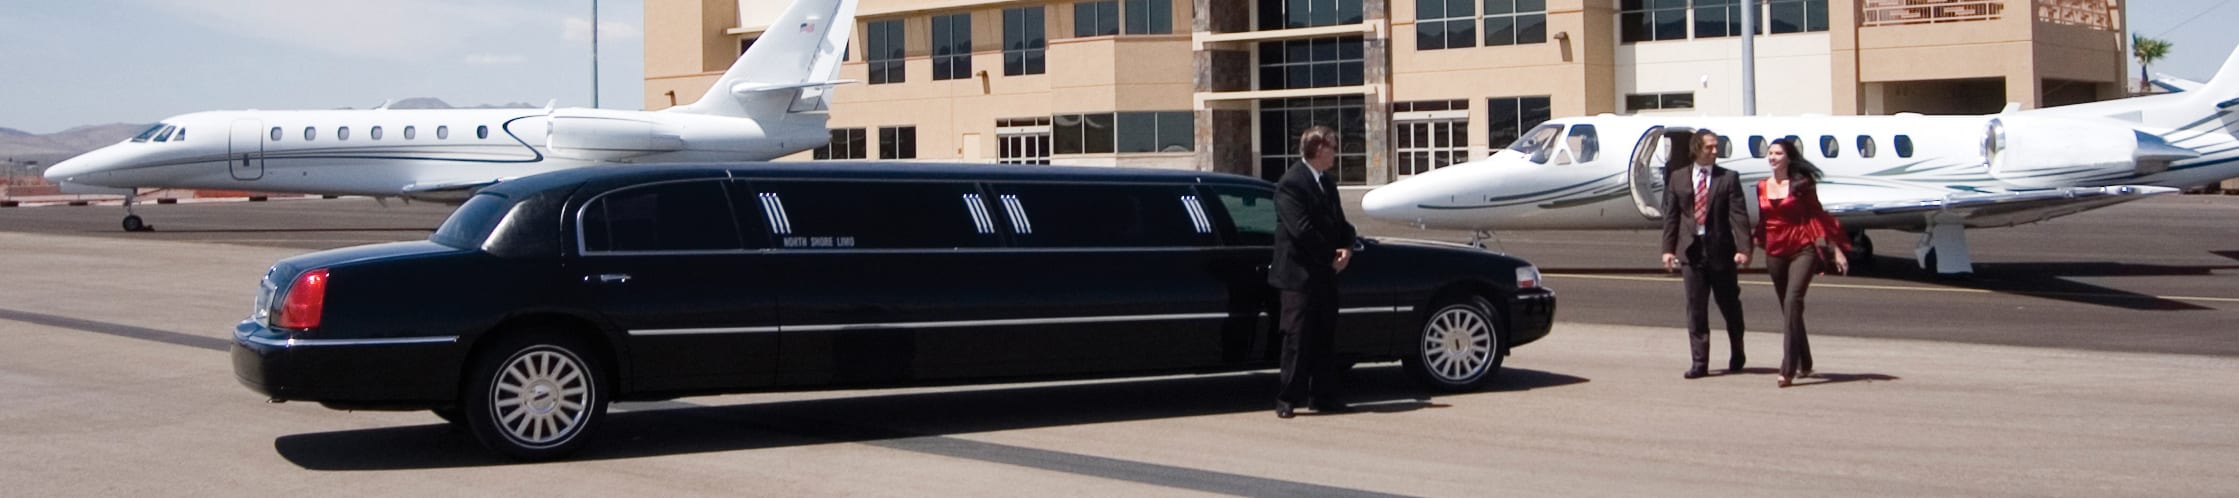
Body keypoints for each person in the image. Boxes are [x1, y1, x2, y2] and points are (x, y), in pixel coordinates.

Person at [1270, 125, 1357, 418]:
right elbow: (1301, 231)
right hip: (1299, 276)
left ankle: (1323, 395)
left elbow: (1341, 223)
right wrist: (1330, 255)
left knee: (1324, 335)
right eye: (1333, 147)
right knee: (1297, 337)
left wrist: (1347, 245)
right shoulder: (1291, 184)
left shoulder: (1327, 183)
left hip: (1324, 276)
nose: (1336, 153)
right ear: (1319, 150)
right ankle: (1288, 398)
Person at [1754, 138, 1851, 387]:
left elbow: (1818, 215)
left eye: (1778, 153)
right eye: (1770, 153)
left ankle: (1788, 368)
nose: (1773, 157)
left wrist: (1835, 249)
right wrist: (1751, 243)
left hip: (1802, 247)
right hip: (1775, 250)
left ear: (1788, 157)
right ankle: (1805, 360)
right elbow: (1764, 220)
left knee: (1792, 300)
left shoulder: (1801, 185)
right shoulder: (1761, 186)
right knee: (1789, 310)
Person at [1660, 129, 1751, 380]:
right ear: (1696, 148)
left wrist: (1744, 249)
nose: (1715, 151)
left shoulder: (1728, 178)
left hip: (1721, 251)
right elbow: (1672, 217)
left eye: (1716, 147)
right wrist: (1668, 250)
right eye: (1710, 147)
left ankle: (1738, 350)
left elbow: (1739, 215)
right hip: (1692, 251)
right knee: (1696, 309)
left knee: (1730, 306)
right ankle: (1699, 362)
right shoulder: (1678, 178)